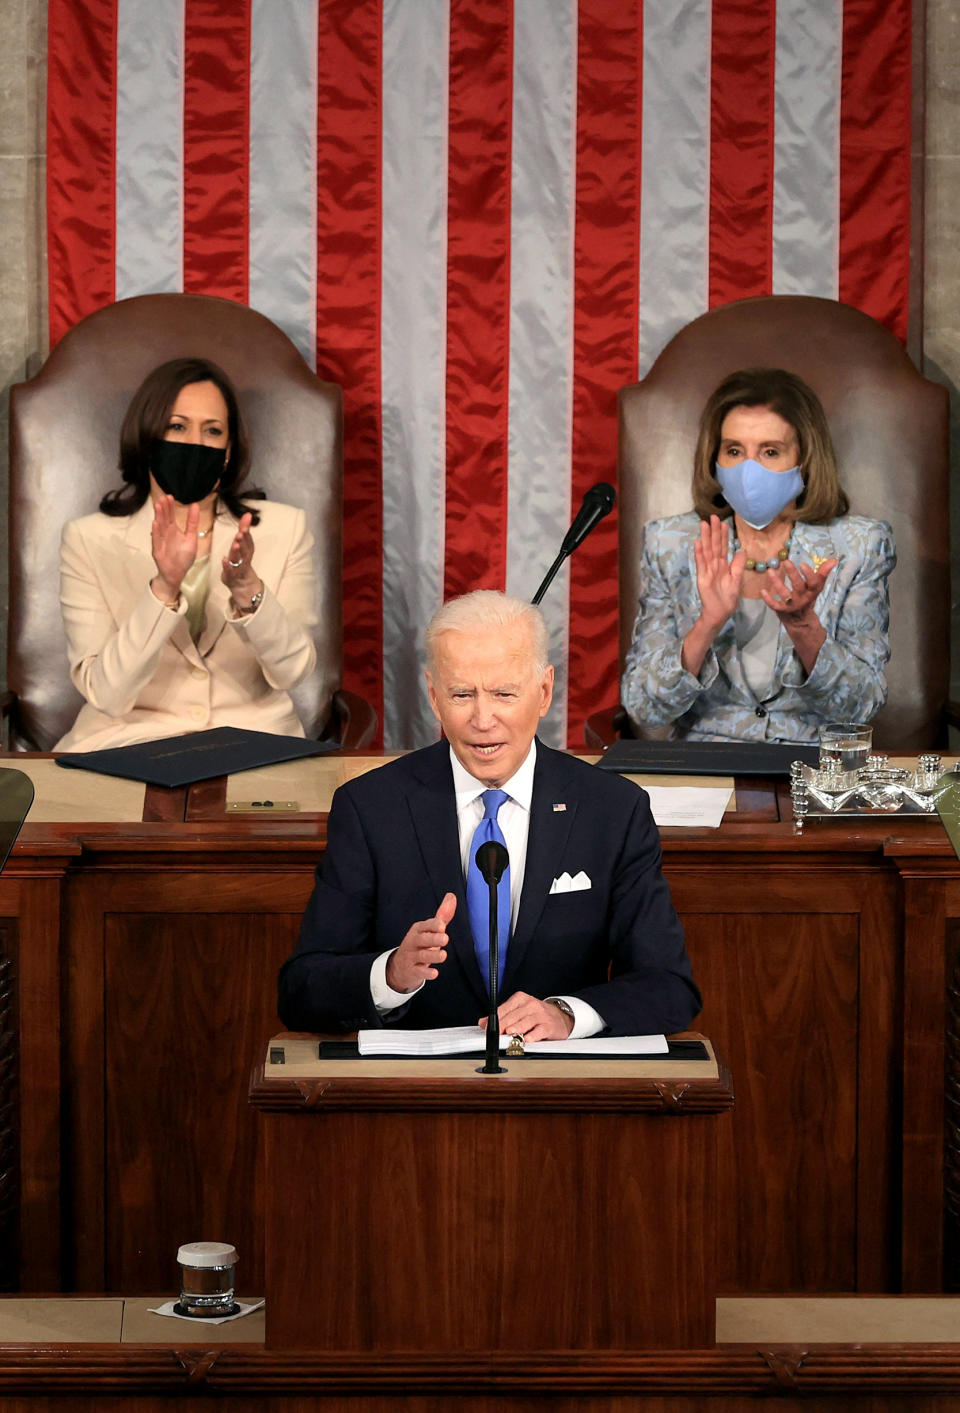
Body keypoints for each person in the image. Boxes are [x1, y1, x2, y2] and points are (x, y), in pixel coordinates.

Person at [279, 591, 699, 1040]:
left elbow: (669, 986)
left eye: (503, 694)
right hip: (416, 1094)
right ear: (434, 696)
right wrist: (390, 975)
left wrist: (568, 1015)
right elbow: (302, 991)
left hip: (562, 1093)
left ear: (544, 692)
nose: (483, 719)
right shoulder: (370, 808)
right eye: (462, 694)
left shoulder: (612, 810)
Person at [56, 357, 321, 751]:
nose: (194, 443)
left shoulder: (286, 529)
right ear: (146, 437)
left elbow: (293, 672)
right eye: (177, 426)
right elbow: (107, 694)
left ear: (228, 450)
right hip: (126, 746)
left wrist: (248, 589)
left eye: (212, 431)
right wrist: (164, 588)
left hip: (252, 746)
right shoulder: (88, 539)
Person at [621, 368, 896, 743]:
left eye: (770, 451)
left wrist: (804, 629)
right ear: (714, 458)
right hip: (706, 768)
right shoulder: (671, 543)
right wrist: (707, 625)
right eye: (734, 450)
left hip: (811, 770)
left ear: (805, 459)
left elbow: (862, 706)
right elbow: (643, 707)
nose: (749, 470)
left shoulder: (859, 546)